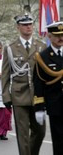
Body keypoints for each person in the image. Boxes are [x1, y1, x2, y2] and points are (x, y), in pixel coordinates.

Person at [1, 14, 47, 155]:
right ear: (18, 27)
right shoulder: (10, 48)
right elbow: (5, 75)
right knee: (23, 134)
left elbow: (46, 74)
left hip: (38, 96)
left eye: (30, 24)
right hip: (19, 95)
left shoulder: (41, 46)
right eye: (25, 24)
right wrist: (6, 97)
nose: (28, 27)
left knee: (40, 131)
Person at [33, 21, 63, 155]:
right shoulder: (43, 57)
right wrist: (39, 108)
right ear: (49, 36)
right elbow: (38, 83)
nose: (61, 38)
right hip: (55, 104)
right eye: (57, 35)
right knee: (59, 140)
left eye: (62, 35)